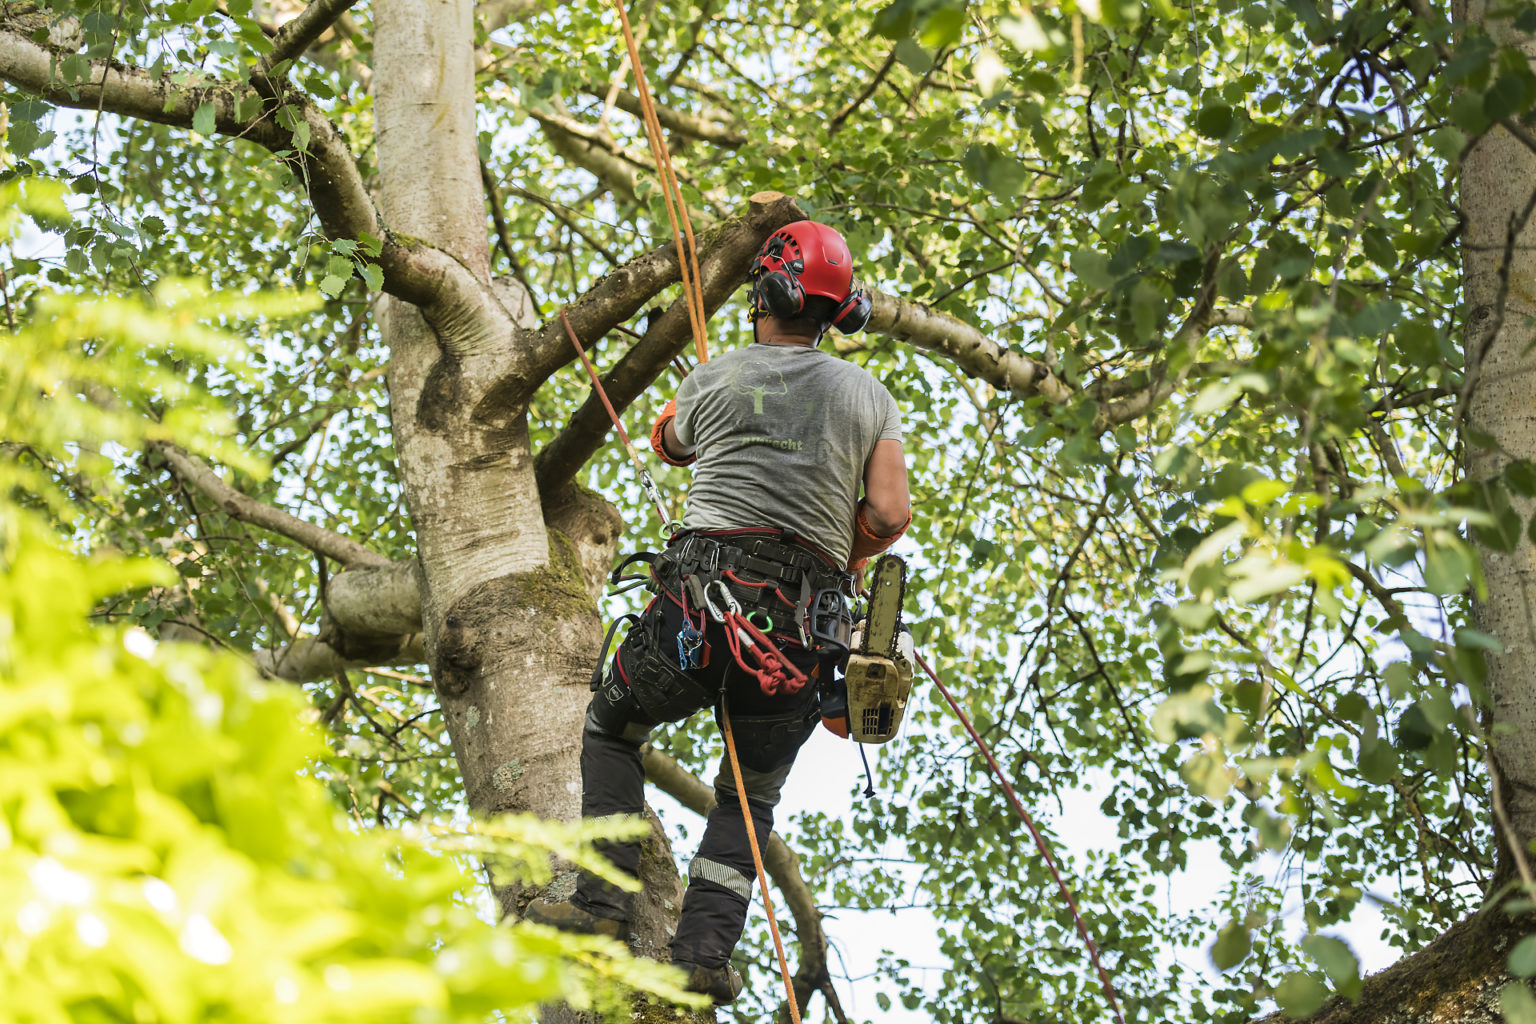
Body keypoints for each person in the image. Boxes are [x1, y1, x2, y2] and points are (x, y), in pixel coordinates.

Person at [525, 220, 911, 1004]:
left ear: (766, 292)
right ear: (841, 313)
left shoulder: (718, 377)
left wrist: (708, 409)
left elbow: (668, 442)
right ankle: (702, 954)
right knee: (750, 798)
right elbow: (890, 514)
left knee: (611, 727)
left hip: (695, 616)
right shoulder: (870, 397)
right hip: (803, 638)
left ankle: (602, 904)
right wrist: (844, 547)